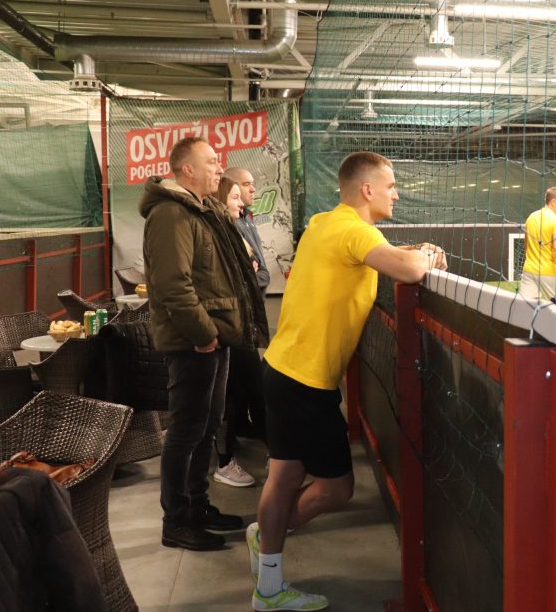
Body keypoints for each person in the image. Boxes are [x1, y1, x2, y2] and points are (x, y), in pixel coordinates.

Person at [246, 151, 446, 611]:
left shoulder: (325, 222)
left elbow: (376, 254)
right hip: (304, 382)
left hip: (281, 369)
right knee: (337, 488)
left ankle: (268, 578)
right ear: (367, 190)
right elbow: (411, 270)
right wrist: (427, 254)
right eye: (391, 186)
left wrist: (410, 251)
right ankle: (268, 543)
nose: (397, 194)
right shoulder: (355, 231)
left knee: (284, 476)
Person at [140, 137, 269, 551]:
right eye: (212, 161)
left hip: (215, 338)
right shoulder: (170, 215)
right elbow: (173, 286)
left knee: (207, 426)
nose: (219, 167)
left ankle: (196, 505)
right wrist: (204, 335)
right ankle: (177, 520)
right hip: (194, 343)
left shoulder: (202, 209)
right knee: (186, 431)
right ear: (187, 170)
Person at [211, 175, 265, 488]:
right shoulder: (216, 232)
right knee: (230, 397)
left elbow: (254, 265)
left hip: (239, 324)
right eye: (234, 197)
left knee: (248, 389)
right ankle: (224, 461)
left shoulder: (233, 228)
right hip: (226, 327)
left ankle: (270, 449)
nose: (240, 203)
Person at [519, 187, 556, 301]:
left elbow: (526, 245)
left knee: (526, 307)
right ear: (553, 202)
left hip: (530, 271)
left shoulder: (531, 217)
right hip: (550, 272)